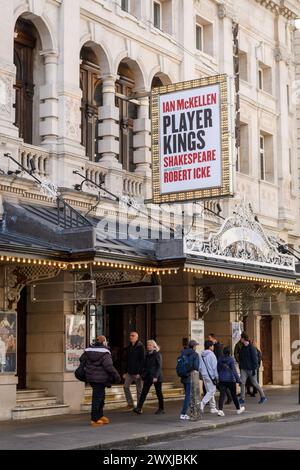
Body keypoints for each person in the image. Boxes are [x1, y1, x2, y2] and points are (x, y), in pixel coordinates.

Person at [79, 335, 121, 426]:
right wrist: (117, 376)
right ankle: (94, 419)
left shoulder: (88, 350)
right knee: (97, 399)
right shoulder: (105, 353)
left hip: (91, 377)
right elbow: (109, 366)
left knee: (101, 397)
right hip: (101, 378)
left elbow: (81, 359)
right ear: (104, 342)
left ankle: (100, 415)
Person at [133, 340, 164, 415]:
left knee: (158, 393)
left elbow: (159, 366)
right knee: (144, 392)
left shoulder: (157, 354)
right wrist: (140, 374)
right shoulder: (147, 355)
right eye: (147, 345)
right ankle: (139, 408)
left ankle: (161, 408)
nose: (148, 346)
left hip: (156, 377)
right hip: (148, 377)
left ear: (154, 346)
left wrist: (155, 376)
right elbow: (144, 366)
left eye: (150, 345)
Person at [217, 346, 245, 417]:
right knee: (234, 395)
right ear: (230, 352)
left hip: (222, 379)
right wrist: (239, 380)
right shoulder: (231, 359)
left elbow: (217, 369)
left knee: (222, 395)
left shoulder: (219, 359)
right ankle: (238, 409)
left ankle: (220, 410)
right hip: (230, 380)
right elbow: (234, 371)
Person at [239, 334, 267, 405]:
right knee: (242, 383)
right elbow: (241, 357)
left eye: (241, 338)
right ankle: (242, 399)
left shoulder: (252, 347)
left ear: (244, 339)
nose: (240, 339)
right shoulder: (242, 347)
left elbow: (255, 359)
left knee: (255, 383)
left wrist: (254, 369)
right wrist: (241, 366)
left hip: (251, 369)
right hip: (244, 369)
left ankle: (263, 397)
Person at [122, 331, 146, 410]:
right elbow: (126, 360)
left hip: (138, 372)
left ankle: (139, 406)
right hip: (129, 371)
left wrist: (140, 372)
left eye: (133, 336)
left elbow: (142, 361)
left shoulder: (140, 347)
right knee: (125, 386)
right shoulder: (129, 347)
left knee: (139, 390)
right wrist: (125, 372)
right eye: (130, 335)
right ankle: (130, 404)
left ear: (137, 337)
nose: (131, 337)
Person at [178, 340, 200, 420]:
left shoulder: (183, 353)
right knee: (188, 396)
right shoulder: (195, 354)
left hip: (183, 376)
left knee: (188, 395)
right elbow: (196, 367)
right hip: (190, 377)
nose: (196, 347)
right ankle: (183, 413)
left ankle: (189, 412)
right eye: (195, 346)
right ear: (193, 346)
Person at [208, 333, 231, 405]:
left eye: (209, 338)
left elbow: (218, 357)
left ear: (213, 338)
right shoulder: (216, 345)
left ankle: (229, 397)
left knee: (220, 384)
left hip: (217, 368)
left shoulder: (217, 346)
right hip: (215, 367)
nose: (208, 339)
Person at [199, 340, 219, 414]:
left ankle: (213, 407)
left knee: (209, 391)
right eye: (212, 346)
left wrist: (202, 374)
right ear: (210, 347)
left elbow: (200, 367)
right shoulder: (211, 355)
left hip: (204, 375)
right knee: (212, 391)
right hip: (211, 376)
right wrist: (216, 376)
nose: (213, 347)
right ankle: (202, 404)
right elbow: (215, 367)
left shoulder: (202, 355)